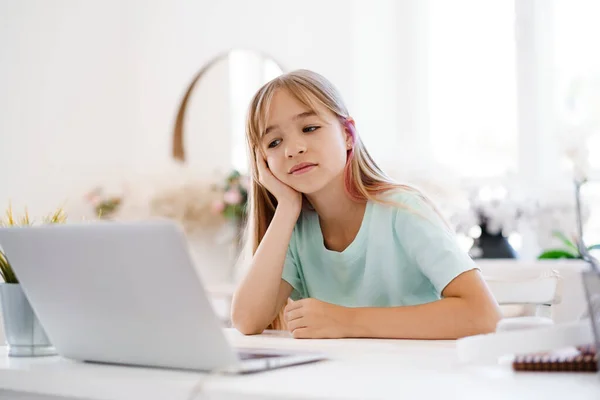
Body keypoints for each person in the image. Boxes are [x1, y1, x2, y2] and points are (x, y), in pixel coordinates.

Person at [231, 69, 501, 339]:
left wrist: (345, 321)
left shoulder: (403, 211)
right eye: (274, 142)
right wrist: (287, 207)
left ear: (348, 134)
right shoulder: (293, 231)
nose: (293, 149)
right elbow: (246, 320)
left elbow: (484, 316)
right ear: (262, 163)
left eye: (310, 128)